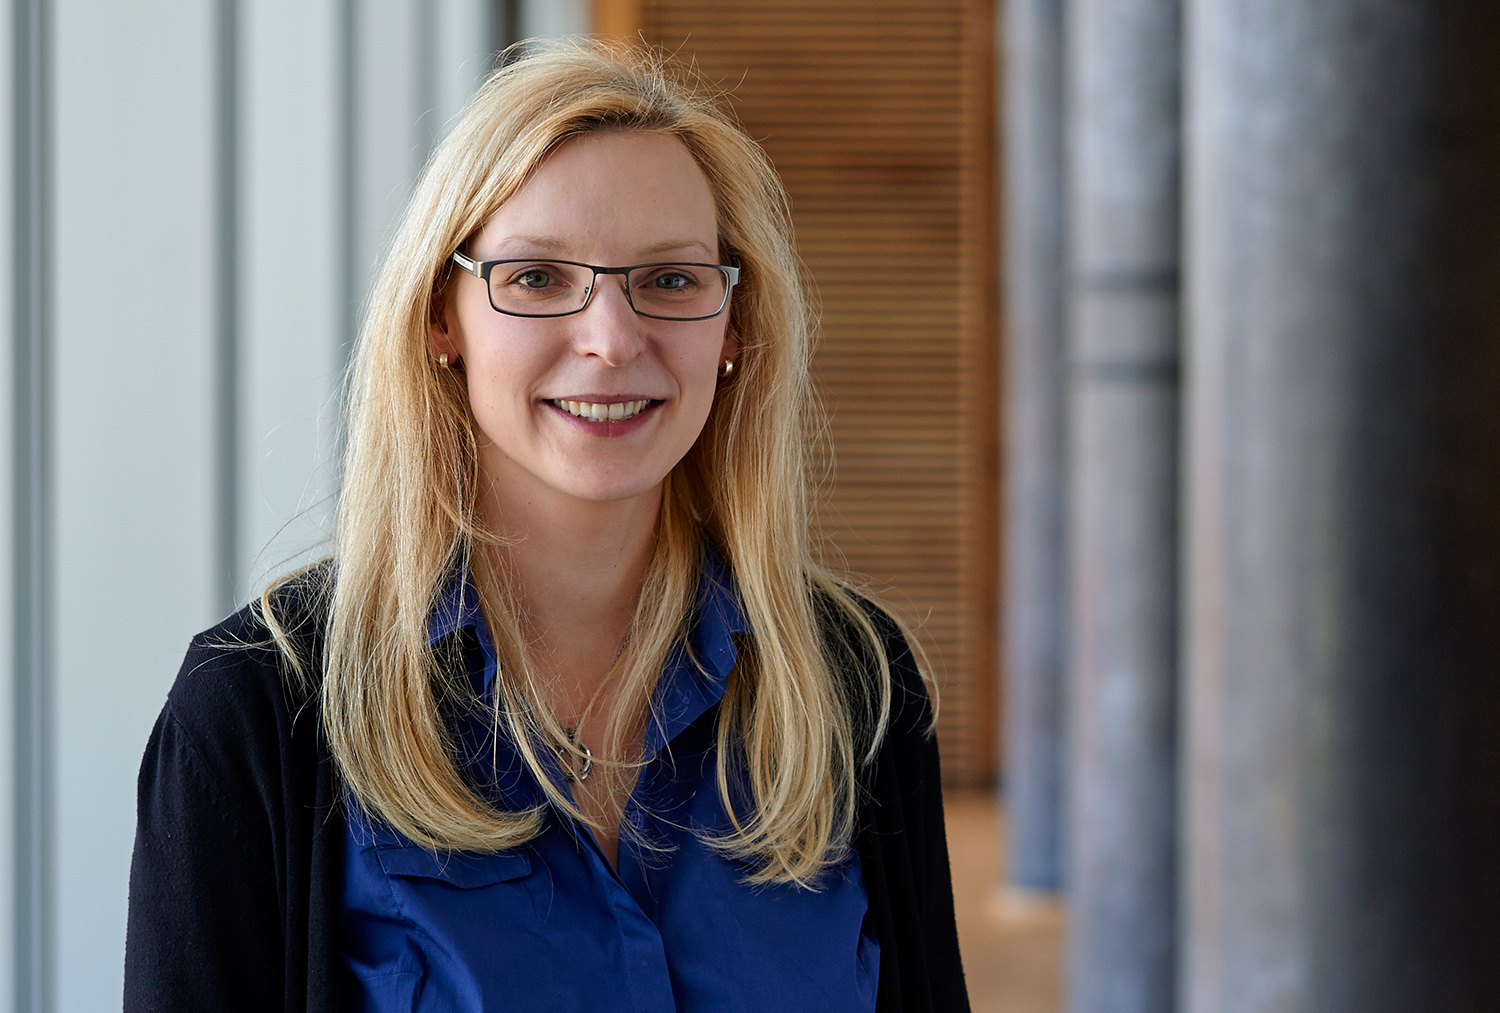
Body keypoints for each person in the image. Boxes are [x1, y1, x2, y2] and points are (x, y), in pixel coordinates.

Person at [125, 40, 968, 1013]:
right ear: (443, 316)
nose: (611, 339)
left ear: (735, 326)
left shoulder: (854, 681)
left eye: (671, 280)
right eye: (533, 278)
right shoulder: (253, 710)